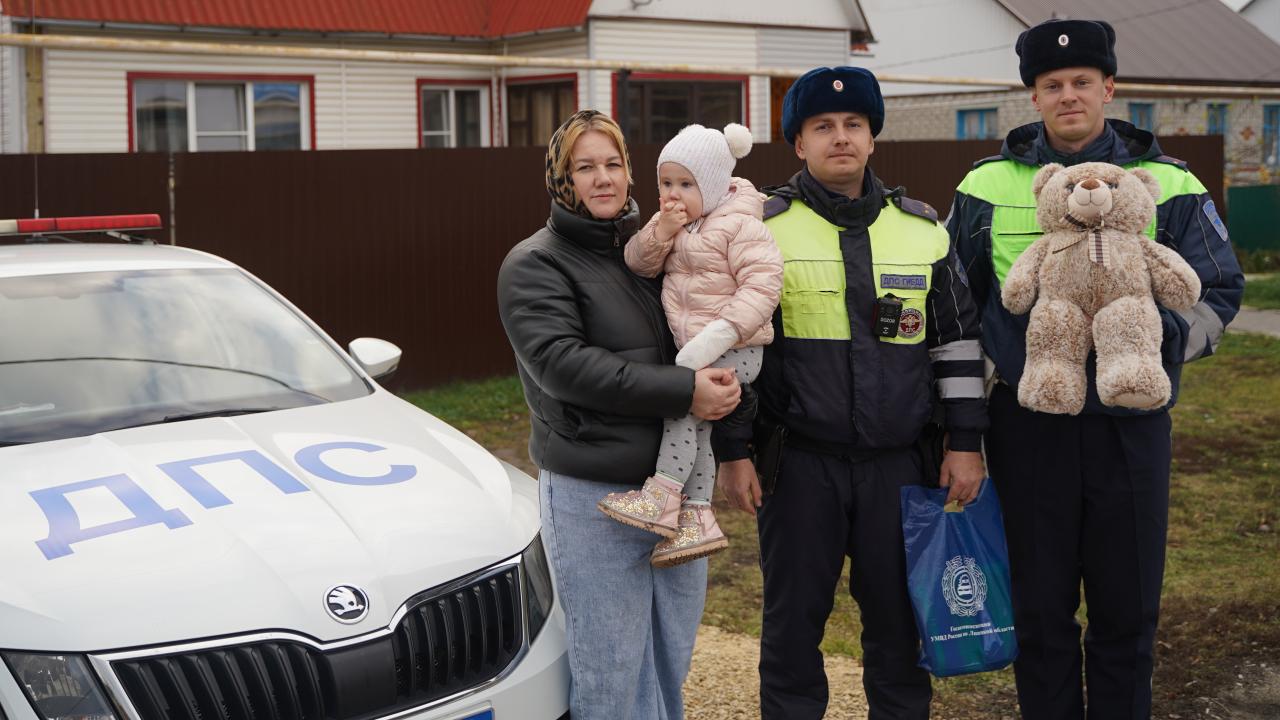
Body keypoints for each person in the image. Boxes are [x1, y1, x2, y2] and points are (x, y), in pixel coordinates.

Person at [946, 18, 1245, 719]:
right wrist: (968, 417)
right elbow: (957, 308)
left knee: (1127, 611)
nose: (1069, 95)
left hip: (1131, 428)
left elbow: (1219, 293)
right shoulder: (987, 185)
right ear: (1034, 97)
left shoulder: (1166, 184)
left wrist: (1149, 343)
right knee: (1041, 615)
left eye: (1083, 81)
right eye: (1053, 85)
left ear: (1110, 88)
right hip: (1028, 427)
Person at [714, 66, 989, 719]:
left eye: (854, 125)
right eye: (823, 127)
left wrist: (967, 444)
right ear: (798, 143)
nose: (841, 137)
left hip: (900, 467)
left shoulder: (922, 230)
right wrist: (734, 450)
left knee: (897, 638)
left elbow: (956, 345)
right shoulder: (762, 229)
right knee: (790, 638)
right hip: (798, 467)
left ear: (872, 138)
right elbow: (733, 344)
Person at [496, 109, 741, 719]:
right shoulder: (535, 263)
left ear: (631, 173)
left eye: (613, 164)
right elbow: (564, 366)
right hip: (594, 498)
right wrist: (686, 390)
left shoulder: (655, 255)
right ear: (561, 178)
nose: (602, 179)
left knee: (669, 660)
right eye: (585, 167)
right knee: (609, 671)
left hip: (675, 495)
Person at [597, 122, 783, 567]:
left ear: (715, 186)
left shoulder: (740, 225)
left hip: (736, 345)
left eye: (686, 183)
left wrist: (719, 335)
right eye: (665, 183)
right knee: (699, 425)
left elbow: (763, 286)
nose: (672, 193)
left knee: (683, 410)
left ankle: (661, 497)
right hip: (700, 346)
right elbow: (638, 264)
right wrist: (660, 230)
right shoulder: (679, 225)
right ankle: (696, 519)